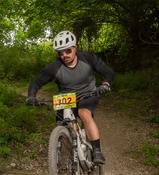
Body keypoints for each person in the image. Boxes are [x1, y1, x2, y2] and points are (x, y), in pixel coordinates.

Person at [26, 31, 115, 164]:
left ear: (75, 48)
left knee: (84, 113)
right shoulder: (55, 66)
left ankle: (97, 151)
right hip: (66, 98)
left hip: (88, 94)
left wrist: (106, 84)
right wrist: (31, 96)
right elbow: (37, 81)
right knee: (62, 127)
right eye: (60, 52)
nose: (64, 55)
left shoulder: (87, 58)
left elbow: (109, 72)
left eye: (68, 50)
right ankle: (75, 156)